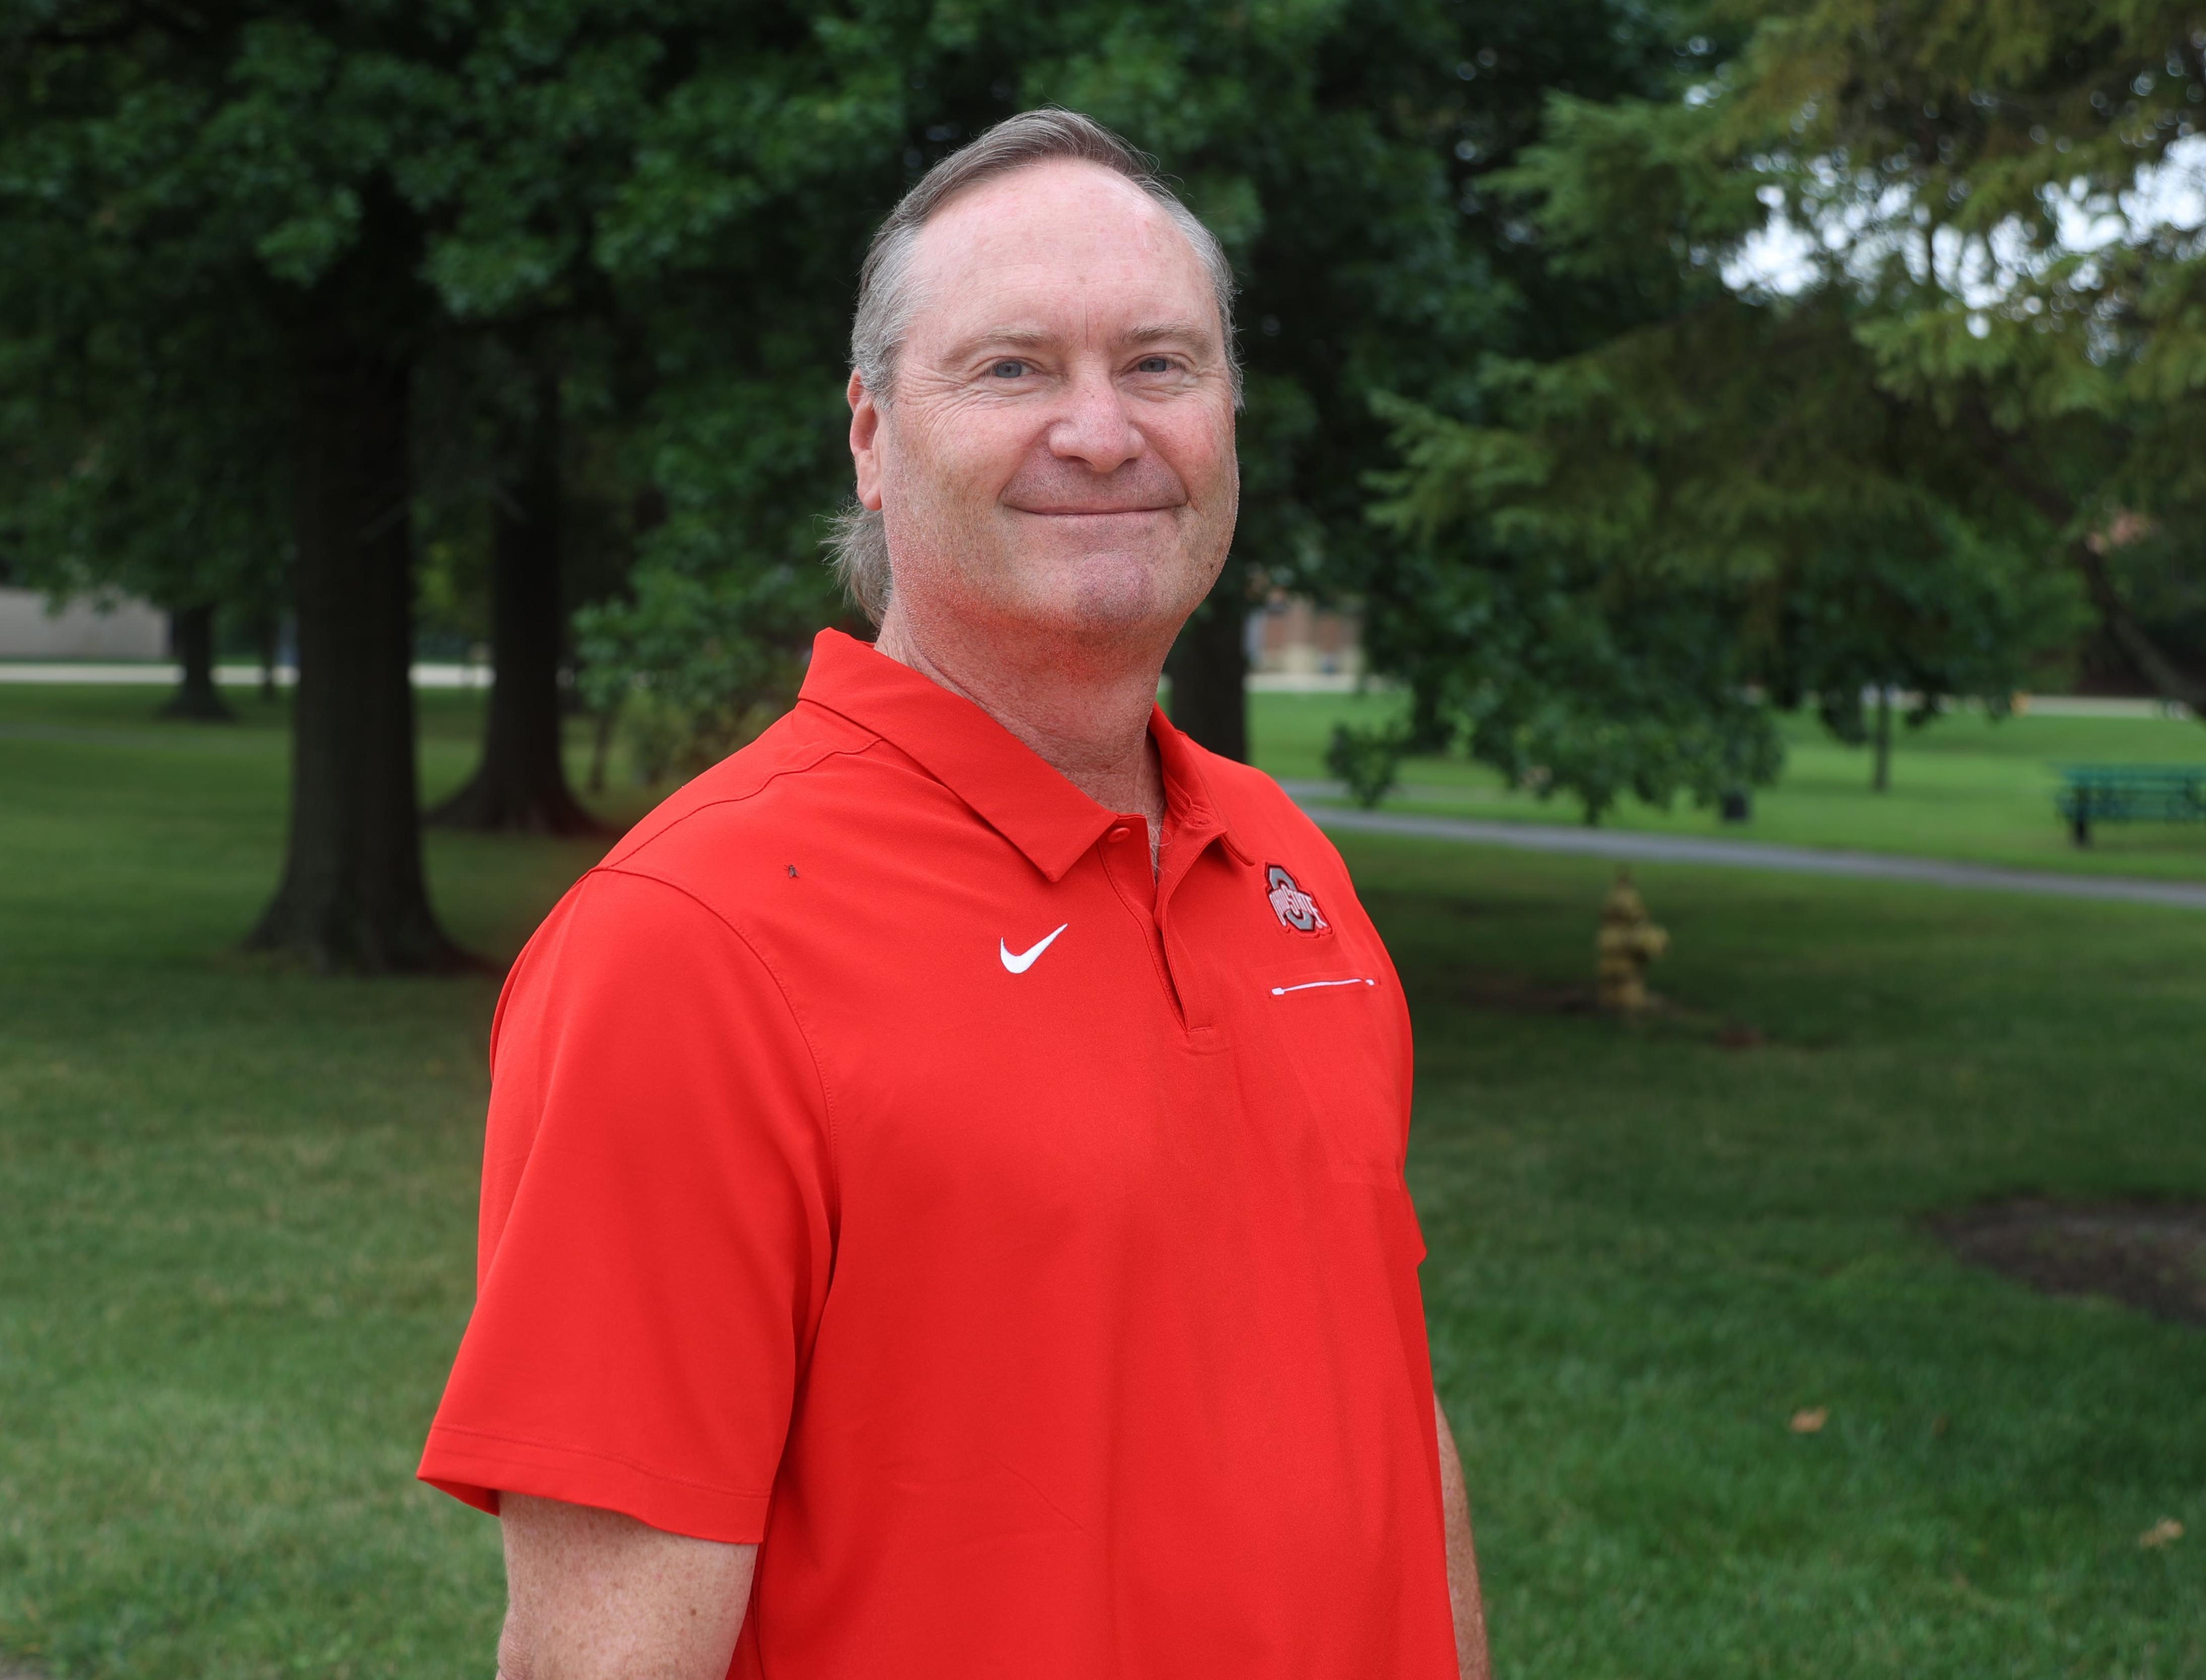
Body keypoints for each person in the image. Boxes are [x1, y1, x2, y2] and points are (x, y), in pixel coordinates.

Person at [419, 107, 1492, 1680]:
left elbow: (1387, 1411)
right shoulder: (692, 945)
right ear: (869, 433)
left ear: (1230, 418)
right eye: (1011, 369)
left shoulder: (1286, 868)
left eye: (1160, 365)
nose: (1102, 430)